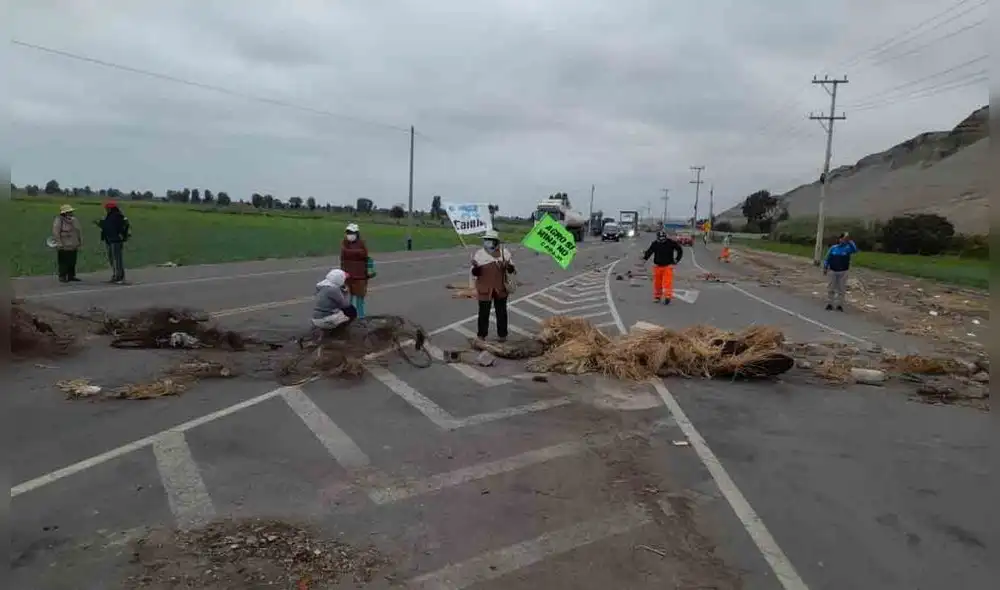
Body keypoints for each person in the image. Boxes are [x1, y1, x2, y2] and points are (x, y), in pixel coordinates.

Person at [471, 229, 515, 342]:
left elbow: (512, 270)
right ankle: (481, 335)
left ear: (496, 242)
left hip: (500, 288)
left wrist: (507, 265)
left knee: (501, 313)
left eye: (489, 240)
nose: (487, 242)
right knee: (483, 313)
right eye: (486, 240)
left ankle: (502, 335)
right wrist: (476, 267)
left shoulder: (504, 253)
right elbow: (475, 273)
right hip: (484, 289)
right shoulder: (479, 254)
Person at [339, 223, 374, 318]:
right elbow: (343, 256)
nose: (350, 234)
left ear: (357, 233)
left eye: (352, 232)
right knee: (350, 299)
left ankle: (361, 317)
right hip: (348, 276)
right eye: (348, 232)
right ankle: (352, 318)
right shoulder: (344, 243)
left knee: (360, 300)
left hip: (360, 276)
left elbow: (364, 254)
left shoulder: (361, 243)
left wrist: (350, 253)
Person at [642, 230, 684, 304]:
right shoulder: (655, 244)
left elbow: (679, 250)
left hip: (668, 266)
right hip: (657, 266)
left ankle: (667, 297)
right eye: (660, 239)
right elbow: (649, 252)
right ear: (657, 238)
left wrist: (677, 259)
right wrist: (644, 260)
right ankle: (657, 296)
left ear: (665, 237)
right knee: (657, 283)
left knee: (667, 282)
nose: (661, 240)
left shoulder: (671, 243)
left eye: (663, 239)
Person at [823, 232, 859, 311]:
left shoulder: (848, 249)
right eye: (842, 239)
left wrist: (849, 241)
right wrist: (825, 267)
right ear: (839, 239)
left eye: (844, 239)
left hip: (843, 271)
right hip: (833, 270)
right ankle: (830, 303)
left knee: (841, 289)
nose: (843, 241)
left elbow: (855, 250)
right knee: (831, 288)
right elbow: (827, 258)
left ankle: (839, 305)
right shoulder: (833, 248)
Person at [96, 201, 130, 284]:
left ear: (110, 208)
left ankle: (119, 277)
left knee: (117, 260)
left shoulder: (117, 217)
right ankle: (116, 275)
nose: (106, 210)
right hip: (109, 240)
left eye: (107, 208)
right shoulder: (110, 216)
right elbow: (107, 227)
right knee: (112, 259)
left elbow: (116, 228)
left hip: (116, 240)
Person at [52, 204, 83, 282]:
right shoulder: (59, 220)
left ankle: (71, 276)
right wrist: (59, 243)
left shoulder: (74, 220)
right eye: (69, 212)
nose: (71, 213)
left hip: (73, 244)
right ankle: (62, 276)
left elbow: (78, 231)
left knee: (72, 261)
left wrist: (79, 241)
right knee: (63, 261)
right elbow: (56, 232)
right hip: (63, 244)